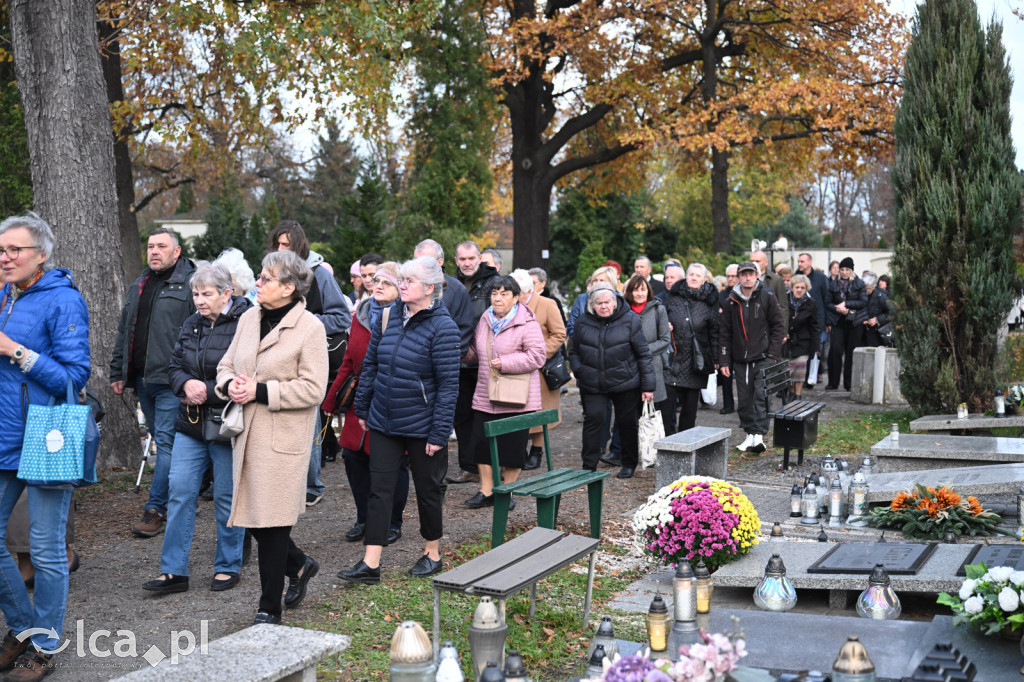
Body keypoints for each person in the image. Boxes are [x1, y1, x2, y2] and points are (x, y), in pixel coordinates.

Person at [216, 250, 327, 625]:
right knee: (254, 519)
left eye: (265, 278)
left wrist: (260, 391)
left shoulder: (310, 327)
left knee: (273, 524)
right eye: (259, 276)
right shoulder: (249, 317)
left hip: (282, 440)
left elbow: (314, 389)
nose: (258, 283)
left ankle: (269, 608)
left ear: (289, 287)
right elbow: (226, 365)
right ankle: (299, 565)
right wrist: (230, 384)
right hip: (246, 436)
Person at [0, 214, 90, 677]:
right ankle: (22, 629)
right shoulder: (3, 297)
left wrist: (14, 349)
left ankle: (45, 646)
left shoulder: (64, 300)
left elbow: (74, 378)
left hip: (45, 435)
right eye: (1, 249)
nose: (5, 257)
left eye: (15, 249)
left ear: (41, 254)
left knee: (48, 548)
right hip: (3, 436)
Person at [339, 257, 460, 584]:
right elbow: (372, 365)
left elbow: (449, 385)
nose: (402, 284)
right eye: (401, 279)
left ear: (429, 288)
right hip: (384, 421)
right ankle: (371, 563)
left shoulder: (443, 327)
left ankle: (432, 553)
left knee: (428, 490)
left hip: (422, 426)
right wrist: (363, 408)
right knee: (379, 491)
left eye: (409, 280)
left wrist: (439, 432)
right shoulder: (389, 316)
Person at [143, 263, 250, 596]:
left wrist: (208, 387)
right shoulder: (191, 324)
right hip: (190, 422)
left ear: (226, 294)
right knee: (179, 491)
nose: (199, 300)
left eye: (206, 294)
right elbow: (173, 366)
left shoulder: (247, 324)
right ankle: (174, 571)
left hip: (227, 423)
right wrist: (186, 383)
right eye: (195, 294)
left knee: (226, 496)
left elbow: (247, 372)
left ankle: (228, 565)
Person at [111, 227, 196, 538]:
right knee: (166, 443)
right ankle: (181, 493)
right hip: (143, 380)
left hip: (173, 380)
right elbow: (124, 330)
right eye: (150, 246)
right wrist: (117, 372)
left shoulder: (191, 283)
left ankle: (155, 508)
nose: (154, 251)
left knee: (166, 444)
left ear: (177, 251)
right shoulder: (140, 283)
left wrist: (190, 377)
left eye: (162, 246)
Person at [322, 263, 407, 547]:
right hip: (359, 402)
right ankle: (364, 518)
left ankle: (392, 521)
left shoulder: (408, 317)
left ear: (401, 288)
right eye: (374, 279)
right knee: (354, 460)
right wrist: (332, 400)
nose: (377, 284)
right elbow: (348, 362)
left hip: (392, 404)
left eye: (386, 281)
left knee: (392, 467)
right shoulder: (361, 315)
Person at [268, 221, 351, 505]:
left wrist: (304, 323)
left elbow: (342, 317)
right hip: (278, 359)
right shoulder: (270, 276)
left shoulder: (319, 275)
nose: (282, 250)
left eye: (287, 244)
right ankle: (286, 482)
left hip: (311, 359)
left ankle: (312, 486)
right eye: (278, 244)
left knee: (309, 420)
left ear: (300, 246)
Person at [463, 276, 546, 508]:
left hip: (516, 398)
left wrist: (505, 362)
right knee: (481, 446)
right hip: (485, 394)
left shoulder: (527, 322)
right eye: (494, 294)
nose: (497, 298)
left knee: (512, 448)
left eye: (504, 294)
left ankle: (507, 492)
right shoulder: (485, 319)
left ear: (516, 297)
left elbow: (537, 356)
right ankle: (487, 491)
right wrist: (461, 353)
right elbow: (477, 351)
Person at [569, 283, 655, 478]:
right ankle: (589, 465)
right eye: (598, 303)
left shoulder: (630, 319)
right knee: (594, 419)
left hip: (625, 381)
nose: (603, 306)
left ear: (614, 302)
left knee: (626, 423)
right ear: (592, 305)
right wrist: (580, 370)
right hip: (593, 381)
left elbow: (643, 354)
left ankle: (628, 463)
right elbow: (574, 352)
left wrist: (648, 386)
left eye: (607, 302)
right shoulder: (582, 322)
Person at [719, 261, 785, 455]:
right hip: (741, 359)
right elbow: (724, 333)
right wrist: (724, 360)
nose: (747, 277)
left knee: (762, 396)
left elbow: (778, 326)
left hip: (764, 356)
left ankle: (759, 435)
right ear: (738, 277)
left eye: (751, 274)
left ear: (757, 276)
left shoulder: (767, 297)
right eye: (744, 274)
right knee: (745, 398)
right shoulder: (731, 301)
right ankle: (749, 433)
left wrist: (773, 353)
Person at [449, 241, 500, 486]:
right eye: (462, 259)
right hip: (457, 358)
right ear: (456, 260)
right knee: (461, 415)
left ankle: (489, 467)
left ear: (480, 258)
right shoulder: (450, 284)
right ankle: (468, 466)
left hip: (483, 359)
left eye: (471, 258)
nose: (467, 263)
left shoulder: (493, 282)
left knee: (486, 415)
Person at [511, 269, 567, 470]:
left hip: (541, 368)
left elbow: (559, 333)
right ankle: (520, 450)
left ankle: (537, 450)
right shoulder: (511, 306)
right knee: (517, 409)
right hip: (516, 368)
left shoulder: (547, 304)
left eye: (518, 293)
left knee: (540, 410)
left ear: (527, 290)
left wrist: (540, 356)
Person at [664, 264, 719, 433]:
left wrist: (717, 359)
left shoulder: (709, 303)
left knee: (689, 411)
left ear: (704, 280)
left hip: (695, 361)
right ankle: (665, 444)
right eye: (691, 274)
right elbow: (661, 321)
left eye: (698, 275)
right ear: (685, 277)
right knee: (666, 408)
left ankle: (685, 446)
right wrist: (665, 327)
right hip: (672, 359)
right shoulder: (673, 298)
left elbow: (715, 333)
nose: (694, 278)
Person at [623, 275, 673, 434]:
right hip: (629, 367)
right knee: (629, 413)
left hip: (653, 366)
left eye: (642, 290)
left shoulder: (659, 309)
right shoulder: (624, 311)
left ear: (648, 291)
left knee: (651, 413)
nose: (639, 293)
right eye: (635, 290)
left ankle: (651, 452)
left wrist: (643, 350)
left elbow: (665, 339)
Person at [825, 257, 867, 391]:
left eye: (847, 270)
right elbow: (827, 303)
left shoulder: (859, 284)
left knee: (851, 353)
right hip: (838, 321)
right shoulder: (833, 284)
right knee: (835, 350)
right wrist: (838, 308)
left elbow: (863, 302)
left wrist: (847, 305)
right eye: (842, 269)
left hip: (854, 322)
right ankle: (833, 382)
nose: (844, 272)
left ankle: (849, 383)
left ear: (851, 270)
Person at [783, 274, 820, 402]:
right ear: (791, 287)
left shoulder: (811, 304)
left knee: (800, 371)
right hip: (787, 342)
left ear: (806, 289)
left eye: (802, 288)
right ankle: (791, 394)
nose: (799, 290)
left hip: (803, 341)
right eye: (797, 287)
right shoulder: (784, 301)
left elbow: (815, 326)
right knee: (789, 371)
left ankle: (798, 396)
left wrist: (816, 346)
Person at [795, 253, 829, 389]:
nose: (799, 264)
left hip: (817, 322)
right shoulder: (795, 278)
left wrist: (827, 322)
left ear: (809, 262)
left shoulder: (820, 279)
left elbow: (826, 300)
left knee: (814, 351)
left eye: (802, 261)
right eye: (798, 261)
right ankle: (799, 379)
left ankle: (810, 378)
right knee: (801, 352)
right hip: (799, 322)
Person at [717, 264, 739, 415]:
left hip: (741, 339)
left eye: (734, 276)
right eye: (728, 276)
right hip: (726, 338)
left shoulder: (742, 293)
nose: (731, 279)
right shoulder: (722, 294)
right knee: (725, 373)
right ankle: (728, 404)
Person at [750, 249, 789, 330]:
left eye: (757, 261)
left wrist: (783, 331)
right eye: (752, 261)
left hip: (770, 326)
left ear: (766, 262)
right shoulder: (744, 279)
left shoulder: (776, 280)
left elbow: (783, 307)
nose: (754, 264)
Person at [856, 272, 890, 348]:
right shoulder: (861, 295)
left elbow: (891, 312)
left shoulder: (881, 297)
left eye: (867, 288)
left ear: (873, 287)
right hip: (861, 333)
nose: (865, 290)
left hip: (876, 335)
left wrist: (877, 319)